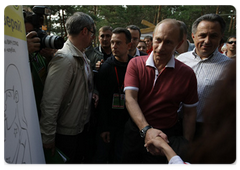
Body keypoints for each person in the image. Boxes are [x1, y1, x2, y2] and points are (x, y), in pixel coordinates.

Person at [122, 19, 199, 164]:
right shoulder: (136, 64)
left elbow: (190, 112)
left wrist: (186, 143)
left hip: (167, 137)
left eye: (168, 42)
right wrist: (146, 130)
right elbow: (130, 99)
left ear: (180, 44)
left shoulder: (187, 74)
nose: (160, 47)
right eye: (158, 40)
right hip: (135, 134)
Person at [145, 59, 237, 165]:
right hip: (178, 126)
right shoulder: (182, 59)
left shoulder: (229, 65)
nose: (207, 41)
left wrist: (178, 145)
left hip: (211, 128)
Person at [40, 12, 95, 164]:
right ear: (84, 31)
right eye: (92, 32)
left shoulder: (81, 56)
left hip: (79, 129)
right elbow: (51, 101)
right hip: (66, 134)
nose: (93, 37)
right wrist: (48, 136)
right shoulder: (65, 60)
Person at [177, 13, 231, 139]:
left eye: (213, 36)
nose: (207, 41)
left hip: (208, 132)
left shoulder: (230, 68)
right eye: (202, 35)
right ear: (193, 36)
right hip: (175, 126)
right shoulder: (180, 60)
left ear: (221, 37)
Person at [94, 28, 132, 164]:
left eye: (118, 43)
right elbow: (102, 101)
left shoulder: (134, 66)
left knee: (121, 158)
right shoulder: (105, 68)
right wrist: (104, 127)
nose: (114, 46)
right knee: (103, 158)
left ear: (129, 45)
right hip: (109, 124)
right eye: (112, 43)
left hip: (127, 124)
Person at [24, 10, 56, 119]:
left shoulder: (38, 54)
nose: (32, 39)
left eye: (33, 34)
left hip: (41, 112)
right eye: (26, 35)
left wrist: (50, 57)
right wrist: (23, 52)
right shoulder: (10, 56)